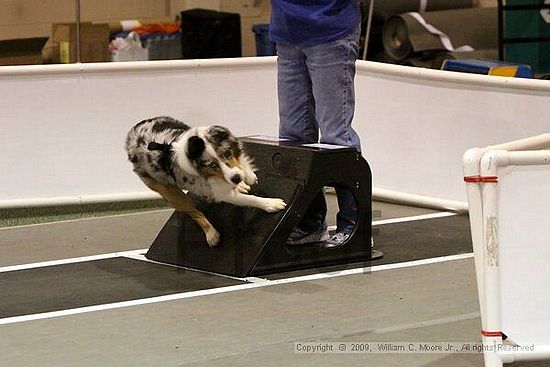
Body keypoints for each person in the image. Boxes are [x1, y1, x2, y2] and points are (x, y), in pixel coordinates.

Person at [269, 0, 363, 246]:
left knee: (336, 136)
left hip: (331, 30)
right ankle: (309, 222)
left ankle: (355, 226)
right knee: (293, 136)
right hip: (287, 33)